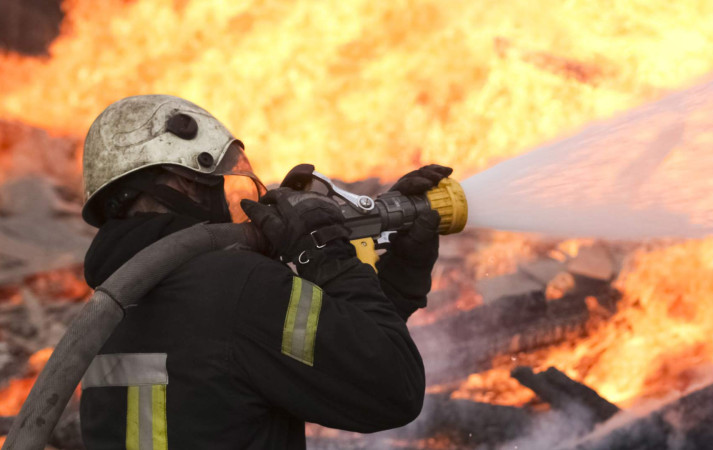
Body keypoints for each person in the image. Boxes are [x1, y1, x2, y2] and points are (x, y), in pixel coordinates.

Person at [78, 94, 452, 449]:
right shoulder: (237, 286)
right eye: (217, 184)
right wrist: (325, 252)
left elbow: (317, 358)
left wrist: (396, 283)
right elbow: (391, 386)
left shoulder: (105, 309)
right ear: (185, 183)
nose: (229, 202)